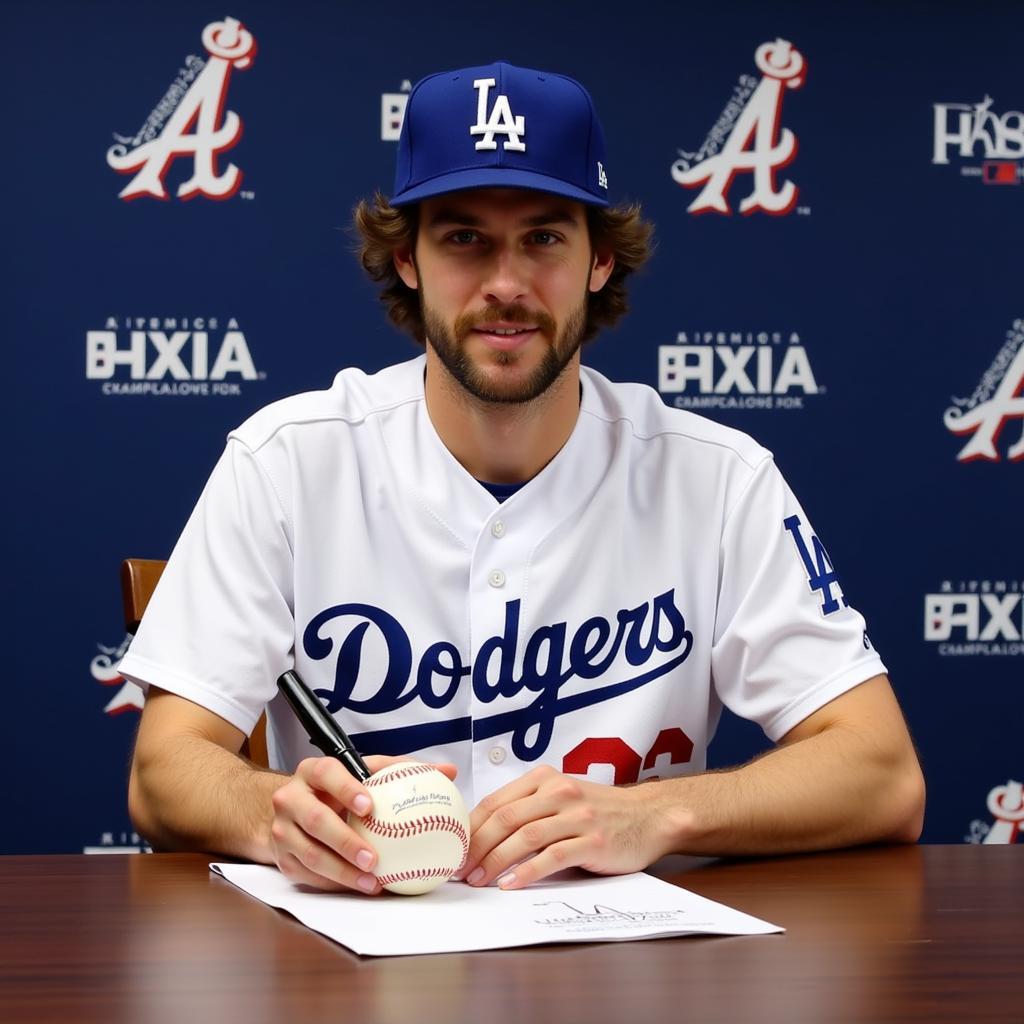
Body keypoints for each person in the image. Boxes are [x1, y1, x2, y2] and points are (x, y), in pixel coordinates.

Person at [122, 61, 925, 895]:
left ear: (600, 260)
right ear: (407, 259)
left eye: (543, 237)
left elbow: (881, 773)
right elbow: (164, 770)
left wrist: (661, 814)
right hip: (360, 972)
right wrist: (272, 811)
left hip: (632, 969)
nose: (505, 284)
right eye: (464, 237)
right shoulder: (288, 462)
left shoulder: (716, 479)